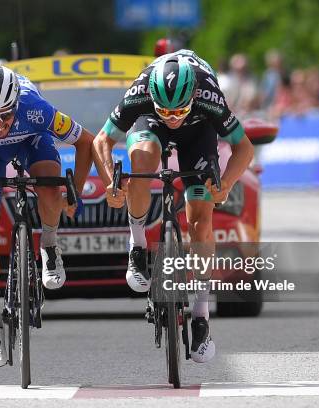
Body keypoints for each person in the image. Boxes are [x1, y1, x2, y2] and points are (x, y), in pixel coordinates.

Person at [92, 49, 254, 363]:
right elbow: (102, 141)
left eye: (178, 110)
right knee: (142, 159)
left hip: (200, 132)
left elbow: (243, 149)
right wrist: (112, 180)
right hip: (148, 126)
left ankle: (202, 314)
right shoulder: (140, 91)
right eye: (166, 110)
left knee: (201, 219)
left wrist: (227, 183)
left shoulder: (208, 95)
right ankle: (137, 244)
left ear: (193, 95)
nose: (173, 118)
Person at [0, 65, 94, 367]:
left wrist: (75, 192)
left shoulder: (36, 108)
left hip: (32, 141)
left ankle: (50, 246)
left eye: (6, 114)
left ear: (17, 104)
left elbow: (85, 142)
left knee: (50, 189)